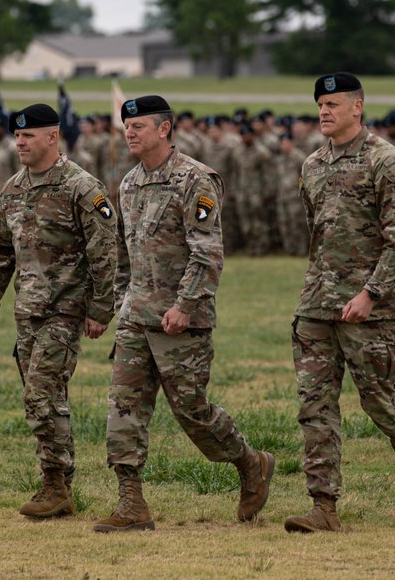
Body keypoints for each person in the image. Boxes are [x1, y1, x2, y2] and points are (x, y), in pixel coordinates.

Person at [95, 95, 273, 533]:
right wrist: (121, 304)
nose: (130, 133)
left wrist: (185, 305)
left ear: (165, 129)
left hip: (181, 321)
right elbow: (124, 255)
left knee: (192, 411)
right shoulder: (130, 183)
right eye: (126, 127)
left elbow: (208, 253)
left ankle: (251, 463)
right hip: (137, 317)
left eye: (139, 126)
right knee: (124, 407)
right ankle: (131, 503)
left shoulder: (195, 180)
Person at [284, 73, 395, 534]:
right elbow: (317, 235)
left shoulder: (387, 161)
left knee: (380, 402)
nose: (323, 111)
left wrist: (370, 294)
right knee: (314, 405)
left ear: (358, 107)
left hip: (370, 308)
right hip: (317, 305)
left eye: (333, 103)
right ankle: (323, 506)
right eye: (320, 104)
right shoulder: (313, 164)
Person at [0, 104, 118, 519]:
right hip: (28, 309)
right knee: (44, 396)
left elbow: (105, 251)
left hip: (66, 309)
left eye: (28, 136)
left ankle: (55, 483)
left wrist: (100, 308)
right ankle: (58, 485)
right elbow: (0, 250)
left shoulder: (80, 186)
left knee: (40, 392)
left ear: (52, 137)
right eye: (17, 136)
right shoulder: (13, 189)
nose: (19, 142)